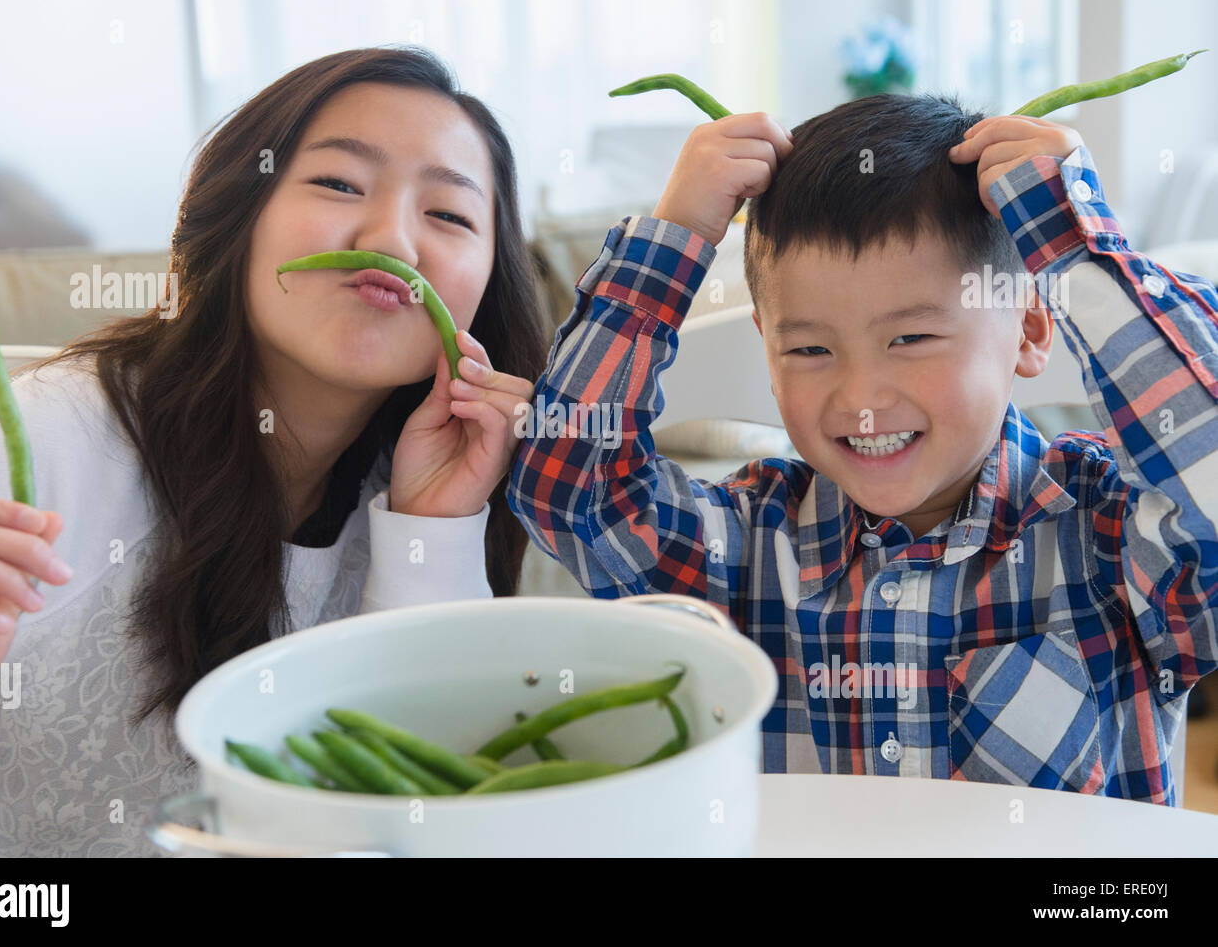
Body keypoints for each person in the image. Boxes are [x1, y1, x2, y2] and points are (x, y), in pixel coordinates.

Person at [0, 46, 549, 855]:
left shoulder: (429, 484)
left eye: (450, 216)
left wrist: (431, 533)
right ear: (239, 214)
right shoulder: (37, 451)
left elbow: (424, 819)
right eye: (338, 184)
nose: (391, 239)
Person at [506, 93, 1218, 803]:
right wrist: (673, 240)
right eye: (811, 348)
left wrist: (1079, 255)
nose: (862, 397)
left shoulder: (1108, 534)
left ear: (1030, 329)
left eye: (911, 339)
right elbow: (570, 490)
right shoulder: (748, 544)